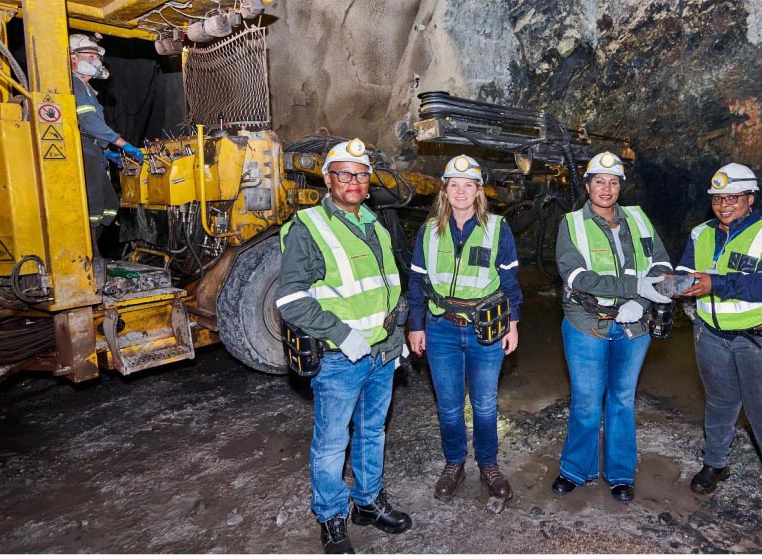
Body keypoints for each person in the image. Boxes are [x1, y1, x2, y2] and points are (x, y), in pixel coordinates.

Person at [275, 138, 412, 554]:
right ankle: (332, 516)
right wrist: (344, 336)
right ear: (328, 179)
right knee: (333, 444)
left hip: (381, 355)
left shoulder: (374, 224)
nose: (353, 181)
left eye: (360, 174)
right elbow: (291, 299)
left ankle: (368, 502)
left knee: (373, 432)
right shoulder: (309, 227)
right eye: (344, 173)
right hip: (340, 359)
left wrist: (396, 337)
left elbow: (385, 289)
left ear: (369, 183)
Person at [675, 163, 762, 535]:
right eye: (718, 198)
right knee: (719, 402)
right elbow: (687, 270)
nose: (723, 205)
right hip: (711, 336)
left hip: (761, 340)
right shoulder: (700, 233)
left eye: (732, 197)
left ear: (750, 198)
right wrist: (674, 283)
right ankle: (716, 463)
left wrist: (714, 283)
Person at [550, 151, 673, 502]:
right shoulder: (571, 223)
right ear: (588, 184)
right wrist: (634, 289)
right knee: (587, 400)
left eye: (614, 181)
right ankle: (575, 469)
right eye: (599, 181)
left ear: (621, 186)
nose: (607, 188)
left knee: (621, 399)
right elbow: (577, 276)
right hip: (587, 323)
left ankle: (619, 473)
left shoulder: (638, 218)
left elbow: (661, 264)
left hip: (635, 328)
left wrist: (643, 303)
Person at [406, 155, 524, 502]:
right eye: (453, 185)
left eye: (467, 185)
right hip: (440, 327)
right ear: (444, 191)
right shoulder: (428, 232)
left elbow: (510, 283)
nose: (460, 191)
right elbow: (416, 281)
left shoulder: (498, 228)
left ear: (478, 191)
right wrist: (416, 326)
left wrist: (512, 324)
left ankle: (488, 464)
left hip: (485, 328)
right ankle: (454, 463)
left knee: (485, 404)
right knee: (449, 405)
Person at [68, 33, 143, 250]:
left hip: (92, 150)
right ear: (73, 58)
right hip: (83, 149)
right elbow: (89, 123)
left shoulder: (87, 89)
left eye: (96, 57)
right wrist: (123, 144)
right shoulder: (74, 84)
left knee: (109, 204)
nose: (96, 61)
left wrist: (105, 152)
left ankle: (93, 244)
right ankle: (84, 248)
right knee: (94, 204)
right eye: (90, 56)